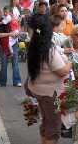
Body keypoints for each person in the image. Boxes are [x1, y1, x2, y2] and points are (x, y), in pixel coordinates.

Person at [27, 15, 71, 144]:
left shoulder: (35, 45)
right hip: (49, 93)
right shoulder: (48, 50)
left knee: (46, 120)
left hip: (39, 90)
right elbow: (62, 71)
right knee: (53, 125)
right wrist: (70, 63)